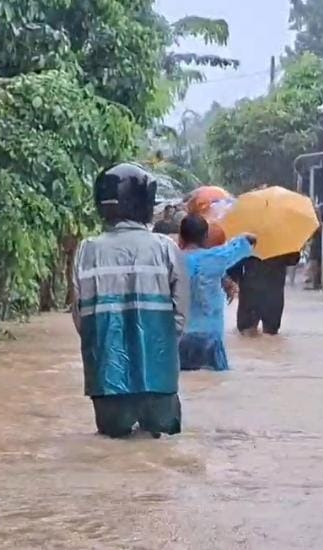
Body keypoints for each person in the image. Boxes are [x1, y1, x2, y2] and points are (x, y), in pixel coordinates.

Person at [71, 163, 189, 439]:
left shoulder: (86, 251)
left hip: (106, 374)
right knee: (160, 447)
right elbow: (181, 312)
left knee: (112, 444)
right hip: (158, 373)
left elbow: (80, 315)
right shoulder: (165, 248)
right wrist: (161, 345)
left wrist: (103, 347)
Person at [179, 214, 256, 371]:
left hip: (180, 336)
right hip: (211, 337)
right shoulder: (216, 258)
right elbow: (247, 242)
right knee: (214, 378)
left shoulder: (171, 259)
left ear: (181, 236)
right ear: (206, 237)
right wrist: (244, 237)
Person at [227, 253, 300, 336]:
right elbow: (293, 259)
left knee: (247, 332)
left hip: (250, 292)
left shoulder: (250, 246)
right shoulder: (282, 246)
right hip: (273, 294)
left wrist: (232, 280)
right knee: (271, 334)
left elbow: (236, 261)